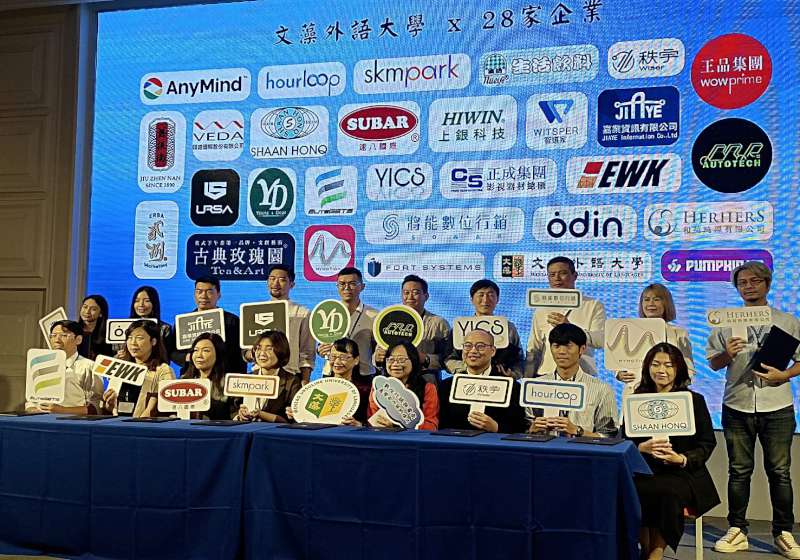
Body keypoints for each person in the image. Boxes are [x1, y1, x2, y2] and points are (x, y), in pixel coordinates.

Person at [707, 261, 800, 557]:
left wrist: (785, 375)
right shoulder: (726, 321)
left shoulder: (787, 321)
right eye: (742, 282)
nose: (748, 286)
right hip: (737, 404)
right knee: (738, 471)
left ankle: (783, 532)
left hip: (778, 405)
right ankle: (737, 530)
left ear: (767, 284)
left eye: (754, 281)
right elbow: (713, 363)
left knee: (780, 472)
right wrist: (727, 353)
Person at [623, 343, 719, 560]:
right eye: (655, 364)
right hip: (644, 469)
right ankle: (643, 548)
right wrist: (640, 448)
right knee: (631, 489)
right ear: (647, 367)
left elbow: (707, 443)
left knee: (667, 492)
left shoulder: (694, 401)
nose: (661, 370)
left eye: (668, 365)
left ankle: (656, 553)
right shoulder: (636, 398)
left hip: (682, 473)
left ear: (679, 369)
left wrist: (681, 458)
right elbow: (625, 439)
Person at [528, 323, 617, 438]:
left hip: (583, 449)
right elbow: (523, 429)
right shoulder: (536, 386)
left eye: (568, 346)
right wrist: (531, 430)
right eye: (556, 346)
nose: (562, 351)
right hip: (543, 447)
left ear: (582, 349)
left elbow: (609, 436)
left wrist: (579, 431)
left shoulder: (602, 389)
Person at [525, 257, 605, 377]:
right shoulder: (542, 308)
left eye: (563, 273)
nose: (557, 278)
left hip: (582, 375)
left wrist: (572, 329)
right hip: (546, 375)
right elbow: (534, 347)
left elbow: (601, 340)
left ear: (574, 276)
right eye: (552, 275)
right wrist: (528, 377)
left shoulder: (592, 305)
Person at [439, 329, 526, 433]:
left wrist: (497, 428)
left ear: (493, 351)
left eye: (480, 346)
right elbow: (440, 425)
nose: (473, 351)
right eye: (468, 346)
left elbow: (520, 427)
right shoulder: (446, 386)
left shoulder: (511, 387)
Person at [374, 275, 451, 383]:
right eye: (406, 293)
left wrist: (425, 358)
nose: (410, 297)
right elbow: (376, 356)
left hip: (426, 381)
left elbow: (448, 360)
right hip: (392, 382)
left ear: (426, 296)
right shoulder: (389, 320)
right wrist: (377, 358)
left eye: (415, 293)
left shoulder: (439, 323)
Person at [616, 284, 695, 388]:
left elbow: (688, 365)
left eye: (656, 299)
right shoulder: (629, 331)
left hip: (670, 391)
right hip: (635, 390)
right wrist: (619, 373)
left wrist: (680, 384)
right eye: (646, 299)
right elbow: (618, 360)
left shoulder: (679, 333)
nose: (651, 303)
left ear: (666, 303)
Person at [445, 279, 525, 378]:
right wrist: (468, 367)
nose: (485, 300)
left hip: (500, 380)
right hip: (466, 380)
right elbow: (448, 359)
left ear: (497, 299)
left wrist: (513, 374)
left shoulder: (509, 328)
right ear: (471, 299)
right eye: (481, 295)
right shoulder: (460, 327)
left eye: (491, 295)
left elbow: (519, 359)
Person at [168, 276, 246, 375]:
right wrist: (188, 357)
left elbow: (239, 354)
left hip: (223, 375)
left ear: (219, 294)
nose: (203, 296)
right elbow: (173, 352)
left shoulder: (232, 321)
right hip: (192, 375)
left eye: (209, 292)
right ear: (194, 294)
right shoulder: (184, 321)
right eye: (199, 291)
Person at [25, 320, 104, 415]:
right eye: (53, 335)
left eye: (63, 335)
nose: (57, 340)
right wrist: (32, 409)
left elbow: (97, 406)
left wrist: (62, 410)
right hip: (40, 420)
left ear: (78, 339)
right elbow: (31, 401)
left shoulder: (88, 366)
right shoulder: (40, 365)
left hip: (73, 421)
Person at [290, 337, 371, 425]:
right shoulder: (319, 387)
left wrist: (358, 424)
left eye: (343, 357)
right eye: (333, 357)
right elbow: (310, 415)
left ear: (356, 360)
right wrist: (296, 413)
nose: (337, 362)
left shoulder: (364, 391)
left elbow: (371, 423)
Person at [103, 320, 175, 418]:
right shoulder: (120, 366)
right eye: (129, 338)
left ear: (153, 341)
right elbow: (110, 408)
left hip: (144, 424)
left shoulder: (163, 370)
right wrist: (109, 404)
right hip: (117, 422)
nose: (133, 343)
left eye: (139, 338)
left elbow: (166, 406)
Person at [316, 267, 378, 377]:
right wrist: (320, 350)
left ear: (362, 286)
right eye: (342, 284)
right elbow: (322, 342)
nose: (346, 288)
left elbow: (379, 349)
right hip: (332, 373)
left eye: (352, 284)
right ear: (337, 286)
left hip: (363, 374)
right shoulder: (328, 312)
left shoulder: (374, 315)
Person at [368, 341, 439, 430]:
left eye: (401, 359)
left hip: (414, 438)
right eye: (391, 359)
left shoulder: (428, 388)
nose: (395, 364)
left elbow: (431, 426)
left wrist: (397, 425)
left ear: (413, 360)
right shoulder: (379, 387)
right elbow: (371, 420)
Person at [263, 265, 315, 383]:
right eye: (272, 278)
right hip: (261, 375)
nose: (275, 283)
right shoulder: (256, 310)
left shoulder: (302, 313)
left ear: (292, 284)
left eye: (282, 280)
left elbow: (307, 351)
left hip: (290, 376)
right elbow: (247, 351)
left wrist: (305, 380)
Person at [235, 330, 301, 423]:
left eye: (269, 349)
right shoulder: (247, 378)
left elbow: (291, 420)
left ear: (281, 351)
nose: (262, 353)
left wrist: (261, 414)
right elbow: (234, 410)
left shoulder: (292, 382)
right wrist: (240, 414)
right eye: (258, 348)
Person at [181, 333, 237, 421]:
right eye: (196, 350)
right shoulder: (183, 380)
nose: (199, 355)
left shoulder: (229, 383)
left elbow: (235, 416)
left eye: (206, 351)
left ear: (218, 354)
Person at [125, 286, 174, 355]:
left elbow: (168, 355)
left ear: (154, 303)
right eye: (137, 301)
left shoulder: (165, 328)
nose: (141, 304)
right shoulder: (124, 326)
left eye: (147, 301)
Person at [77, 294, 113, 360]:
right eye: (85, 307)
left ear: (101, 313)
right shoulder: (73, 330)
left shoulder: (108, 334)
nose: (87, 311)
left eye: (93, 309)